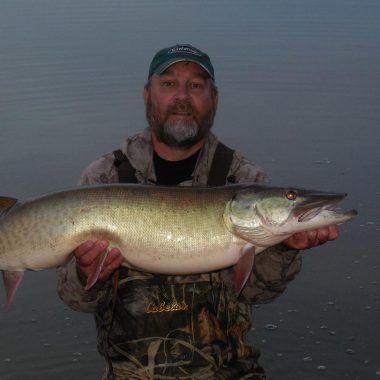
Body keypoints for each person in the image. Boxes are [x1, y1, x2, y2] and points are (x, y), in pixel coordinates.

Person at [57, 44, 338, 380]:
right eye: (169, 84)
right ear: (148, 96)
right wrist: (89, 272)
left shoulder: (244, 179)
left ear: (214, 99)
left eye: (196, 85)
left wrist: (285, 249)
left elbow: (256, 293)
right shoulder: (105, 178)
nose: (182, 98)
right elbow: (73, 299)